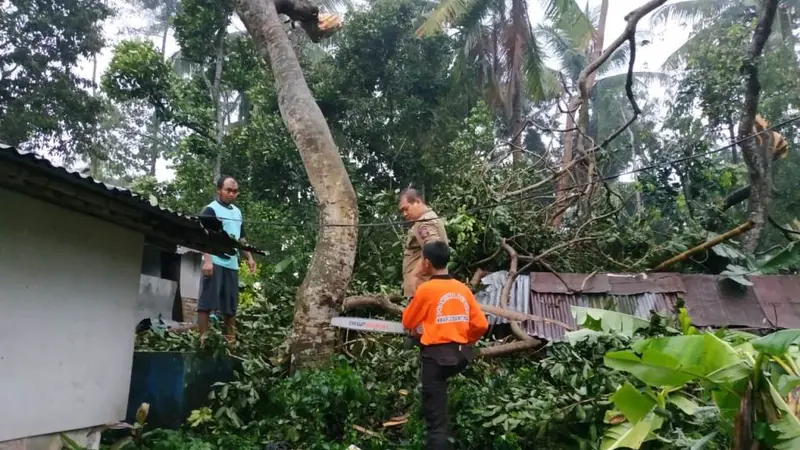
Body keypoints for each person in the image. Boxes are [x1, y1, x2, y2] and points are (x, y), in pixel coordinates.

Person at [401, 241, 489, 450]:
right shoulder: (462, 289)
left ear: (427, 263)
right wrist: (466, 339)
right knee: (439, 402)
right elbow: (481, 324)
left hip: (436, 359)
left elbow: (408, 321)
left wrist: (414, 285)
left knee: (436, 425)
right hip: (460, 357)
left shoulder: (427, 289)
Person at [198, 175, 256, 345]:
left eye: (235, 191)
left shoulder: (237, 212)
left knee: (230, 306)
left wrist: (249, 258)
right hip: (214, 262)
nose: (231, 194)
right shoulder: (211, 210)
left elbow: (241, 238)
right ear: (219, 190)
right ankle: (203, 340)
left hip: (232, 264)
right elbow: (202, 237)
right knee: (207, 303)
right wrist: (207, 260)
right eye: (228, 190)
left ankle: (231, 341)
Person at [398, 188, 448, 298]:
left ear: (417, 201)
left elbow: (434, 250)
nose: (404, 214)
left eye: (406, 209)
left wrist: (414, 275)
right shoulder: (428, 219)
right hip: (425, 288)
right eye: (402, 211)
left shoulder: (424, 222)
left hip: (424, 288)